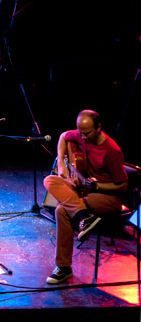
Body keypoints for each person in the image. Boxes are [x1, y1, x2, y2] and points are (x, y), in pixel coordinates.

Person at [43, 109, 128, 284]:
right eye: (81, 133)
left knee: (61, 210)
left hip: (108, 197)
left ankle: (63, 268)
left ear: (99, 128)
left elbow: (123, 185)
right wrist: (61, 164)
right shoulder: (81, 135)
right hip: (86, 191)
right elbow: (63, 137)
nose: (83, 137)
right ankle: (84, 217)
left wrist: (97, 186)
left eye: (87, 133)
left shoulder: (111, 151)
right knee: (50, 180)